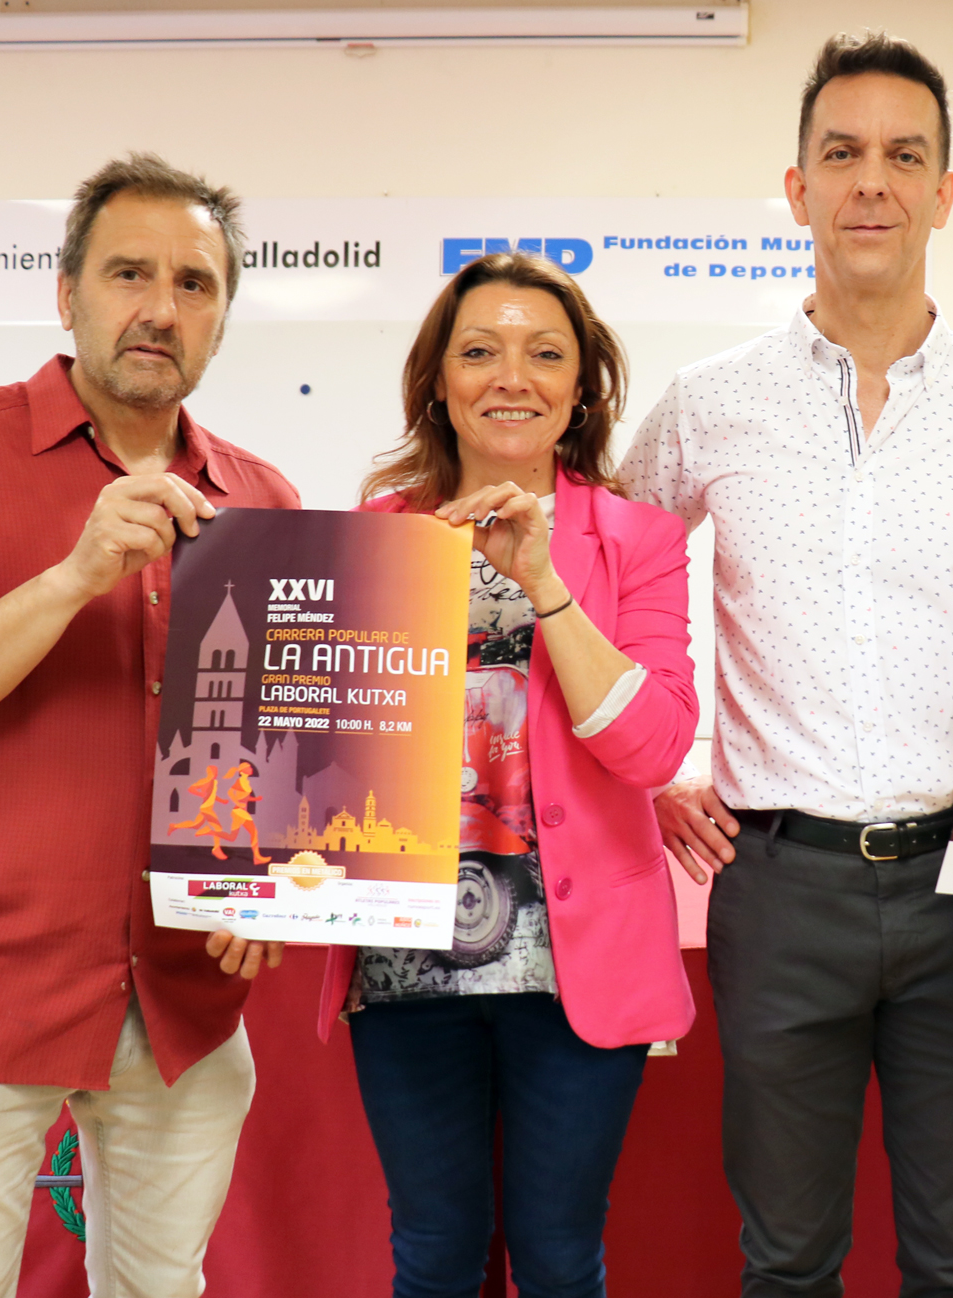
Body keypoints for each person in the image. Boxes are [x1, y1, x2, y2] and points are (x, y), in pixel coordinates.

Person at [621, 31, 953, 1298]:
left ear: (943, 194)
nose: (871, 182)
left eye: (904, 156)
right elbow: (613, 574)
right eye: (842, 154)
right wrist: (660, 766)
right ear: (797, 189)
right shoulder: (706, 404)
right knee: (787, 1261)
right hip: (779, 888)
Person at [0, 153, 300, 1297]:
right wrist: (74, 574)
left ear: (222, 317)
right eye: (128, 273)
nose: (161, 308)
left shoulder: (265, 500)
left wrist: (272, 889)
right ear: (66, 293)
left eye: (194, 283)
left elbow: (273, 753)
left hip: (183, 996)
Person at [317, 251, 699, 1298]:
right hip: (406, 961)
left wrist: (542, 582)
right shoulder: (375, 536)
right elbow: (322, 750)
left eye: (546, 354)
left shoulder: (637, 539)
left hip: (577, 969)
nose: (512, 377)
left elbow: (653, 747)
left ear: (582, 389)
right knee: (432, 1254)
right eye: (479, 351)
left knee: (560, 1258)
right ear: (438, 382)